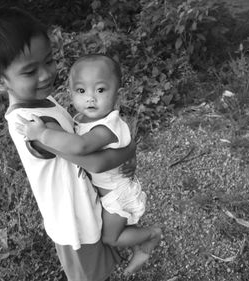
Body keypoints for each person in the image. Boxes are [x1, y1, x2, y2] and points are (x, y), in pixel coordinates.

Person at [0, 8, 137, 281]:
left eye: (48, 61)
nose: (46, 74)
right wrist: (129, 150)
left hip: (83, 205)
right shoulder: (31, 125)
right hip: (72, 220)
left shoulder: (43, 102)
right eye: (30, 71)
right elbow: (90, 157)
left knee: (99, 264)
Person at [15, 54, 162, 275]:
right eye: (81, 91)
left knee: (110, 238)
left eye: (100, 90)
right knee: (115, 230)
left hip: (116, 195)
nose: (90, 98)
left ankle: (151, 236)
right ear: (71, 93)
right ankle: (137, 243)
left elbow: (81, 146)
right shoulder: (82, 119)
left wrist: (43, 134)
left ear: (117, 95)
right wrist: (132, 156)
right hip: (106, 192)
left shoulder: (107, 126)